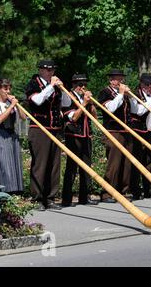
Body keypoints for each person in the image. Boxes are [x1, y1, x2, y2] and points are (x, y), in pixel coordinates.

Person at [24, 59, 63, 211]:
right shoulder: (33, 84)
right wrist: (51, 86)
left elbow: (65, 103)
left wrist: (61, 88)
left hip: (54, 129)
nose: (51, 73)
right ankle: (37, 198)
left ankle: (51, 197)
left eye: (52, 70)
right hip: (39, 129)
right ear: (40, 70)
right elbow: (38, 101)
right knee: (40, 165)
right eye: (48, 70)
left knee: (54, 165)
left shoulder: (55, 86)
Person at [60, 74, 99, 207]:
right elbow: (73, 117)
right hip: (73, 135)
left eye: (84, 85)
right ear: (74, 85)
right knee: (71, 168)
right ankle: (66, 198)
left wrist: (91, 103)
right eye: (80, 85)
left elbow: (94, 117)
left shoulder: (85, 99)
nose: (82, 88)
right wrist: (84, 103)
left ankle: (84, 196)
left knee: (86, 167)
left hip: (86, 135)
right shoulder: (67, 96)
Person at [97, 69, 133, 203]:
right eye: (118, 79)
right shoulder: (105, 92)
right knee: (114, 163)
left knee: (127, 163)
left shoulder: (123, 94)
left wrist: (129, 96)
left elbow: (135, 110)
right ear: (111, 80)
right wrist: (121, 94)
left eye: (122, 79)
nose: (120, 82)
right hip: (113, 131)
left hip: (126, 131)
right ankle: (107, 193)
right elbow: (110, 108)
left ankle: (123, 191)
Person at [0, 78, 26, 194]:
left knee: (14, 163)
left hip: (12, 135)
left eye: (9, 88)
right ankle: (5, 191)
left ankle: (16, 191)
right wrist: (11, 106)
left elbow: (23, 117)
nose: (8, 91)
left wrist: (17, 105)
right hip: (0, 135)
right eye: (5, 88)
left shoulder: (11, 103)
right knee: (4, 165)